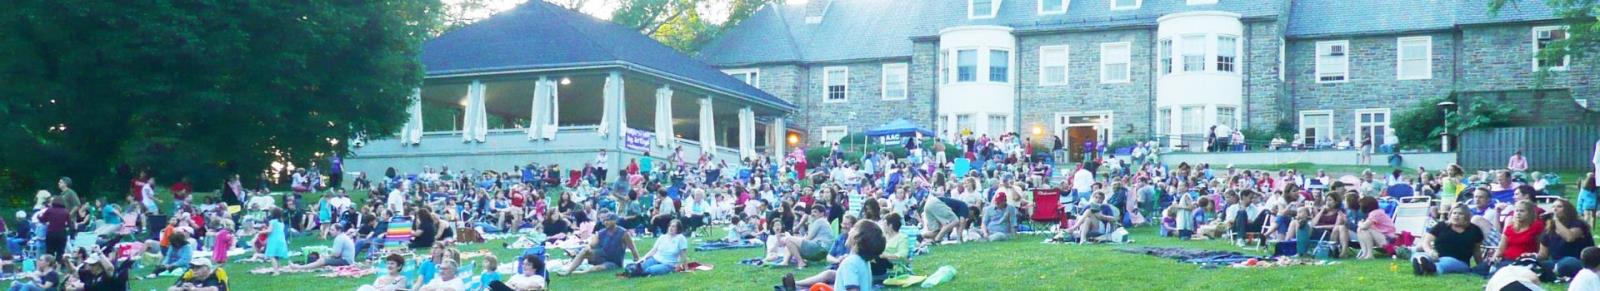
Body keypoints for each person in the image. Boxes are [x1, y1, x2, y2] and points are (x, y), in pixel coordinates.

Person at [1414, 204, 1486, 275]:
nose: (1456, 215)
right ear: (1450, 214)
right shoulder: (1441, 226)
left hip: (1460, 262)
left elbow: (1477, 251)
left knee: (1446, 262)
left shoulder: (1474, 230)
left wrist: (1481, 266)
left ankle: (1429, 268)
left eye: (1460, 214)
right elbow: (1426, 242)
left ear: (1466, 217)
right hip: (1437, 257)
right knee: (1418, 255)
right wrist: (1430, 252)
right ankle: (1423, 265)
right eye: (1454, 213)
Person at [558, 213, 639, 275]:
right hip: (602, 256)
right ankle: (568, 271)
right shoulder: (601, 233)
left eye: (608, 220)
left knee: (597, 269)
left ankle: (580, 273)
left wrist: (637, 262)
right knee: (585, 251)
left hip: (614, 262)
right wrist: (587, 248)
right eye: (604, 220)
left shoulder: (623, 233)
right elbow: (591, 245)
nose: (605, 222)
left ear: (614, 221)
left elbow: (633, 248)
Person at [1539, 199, 1594, 279]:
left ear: (1567, 210)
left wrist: (1556, 220)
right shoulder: (1548, 230)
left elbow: (1569, 237)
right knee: (1536, 265)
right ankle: (1553, 273)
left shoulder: (1578, 224)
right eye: (1553, 207)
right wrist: (1532, 258)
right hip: (1556, 262)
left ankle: (1553, 273)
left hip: (1577, 261)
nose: (1555, 209)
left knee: (1567, 263)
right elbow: (1543, 254)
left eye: (1559, 207)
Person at [1492, 201, 1544, 267]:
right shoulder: (1510, 227)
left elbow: (1540, 248)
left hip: (1525, 261)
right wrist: (1493, 258)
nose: (1518, 213)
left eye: (1522, 211)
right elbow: (1501, 249)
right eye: (1516, 211)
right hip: (1506, 259)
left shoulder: (1537, 226)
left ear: (1530, 213)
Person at [287, 227, 355, 270]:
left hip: (346, 261)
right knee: (323, 259)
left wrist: (327, 256)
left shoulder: (339, 238)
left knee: (322, 260)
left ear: (339, 230)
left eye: (332, 230)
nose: (330, 231)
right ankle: (303, 266)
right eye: (330, 229)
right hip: (348, 260)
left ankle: (299, 267)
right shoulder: (343, 237)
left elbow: (336, 254)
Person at [263, 209, 289, 275]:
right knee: (277, 256)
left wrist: (260, 232)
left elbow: (270, 231)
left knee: (272, 256)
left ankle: (276, 271)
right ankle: (279, 268)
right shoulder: (281, 222)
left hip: (274, 240)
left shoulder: (272, 221)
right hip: (281, 240)